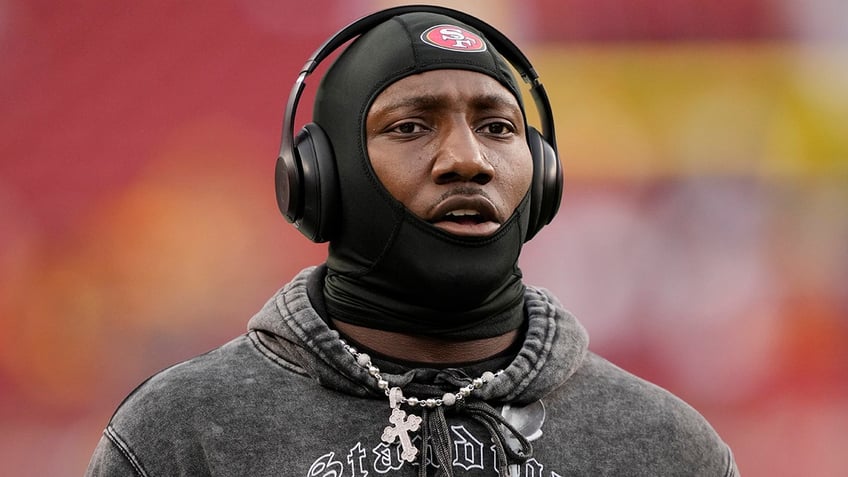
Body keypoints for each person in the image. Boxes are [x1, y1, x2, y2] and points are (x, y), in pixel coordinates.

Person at [85, 5, 739, 476]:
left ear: (543, 175)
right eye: (410, 126)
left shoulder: (667, 448)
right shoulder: (181, 434)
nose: (467, 159)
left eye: (497, 127)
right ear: (320, 179)